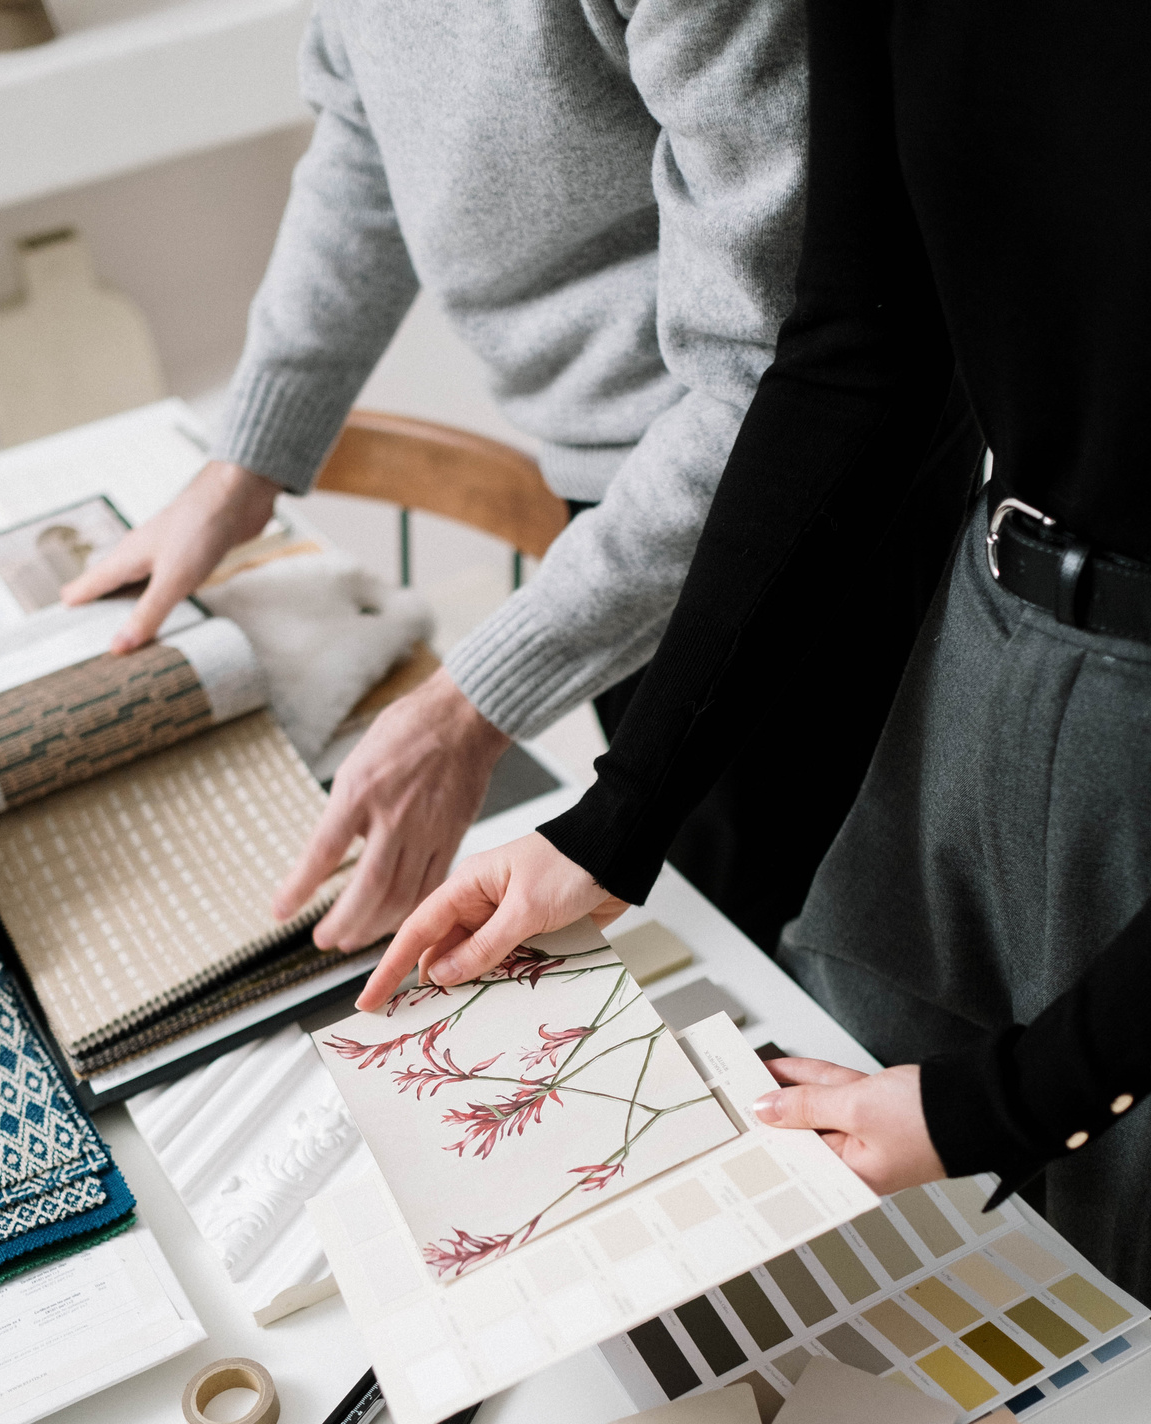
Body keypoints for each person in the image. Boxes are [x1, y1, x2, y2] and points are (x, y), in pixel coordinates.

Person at [359, 4, 1151, 1304]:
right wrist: (611, 823)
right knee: (886, 1277)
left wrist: (1008, 1104)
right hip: (993, 647)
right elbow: (856, 356)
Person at [64, 0, 978, 961]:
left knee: (814, 950)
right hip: (630, 489)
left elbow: (787, 376)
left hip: (797, 503)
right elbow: (366, 128)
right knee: (705, 899)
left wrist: (472, 706)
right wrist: (243, 467)